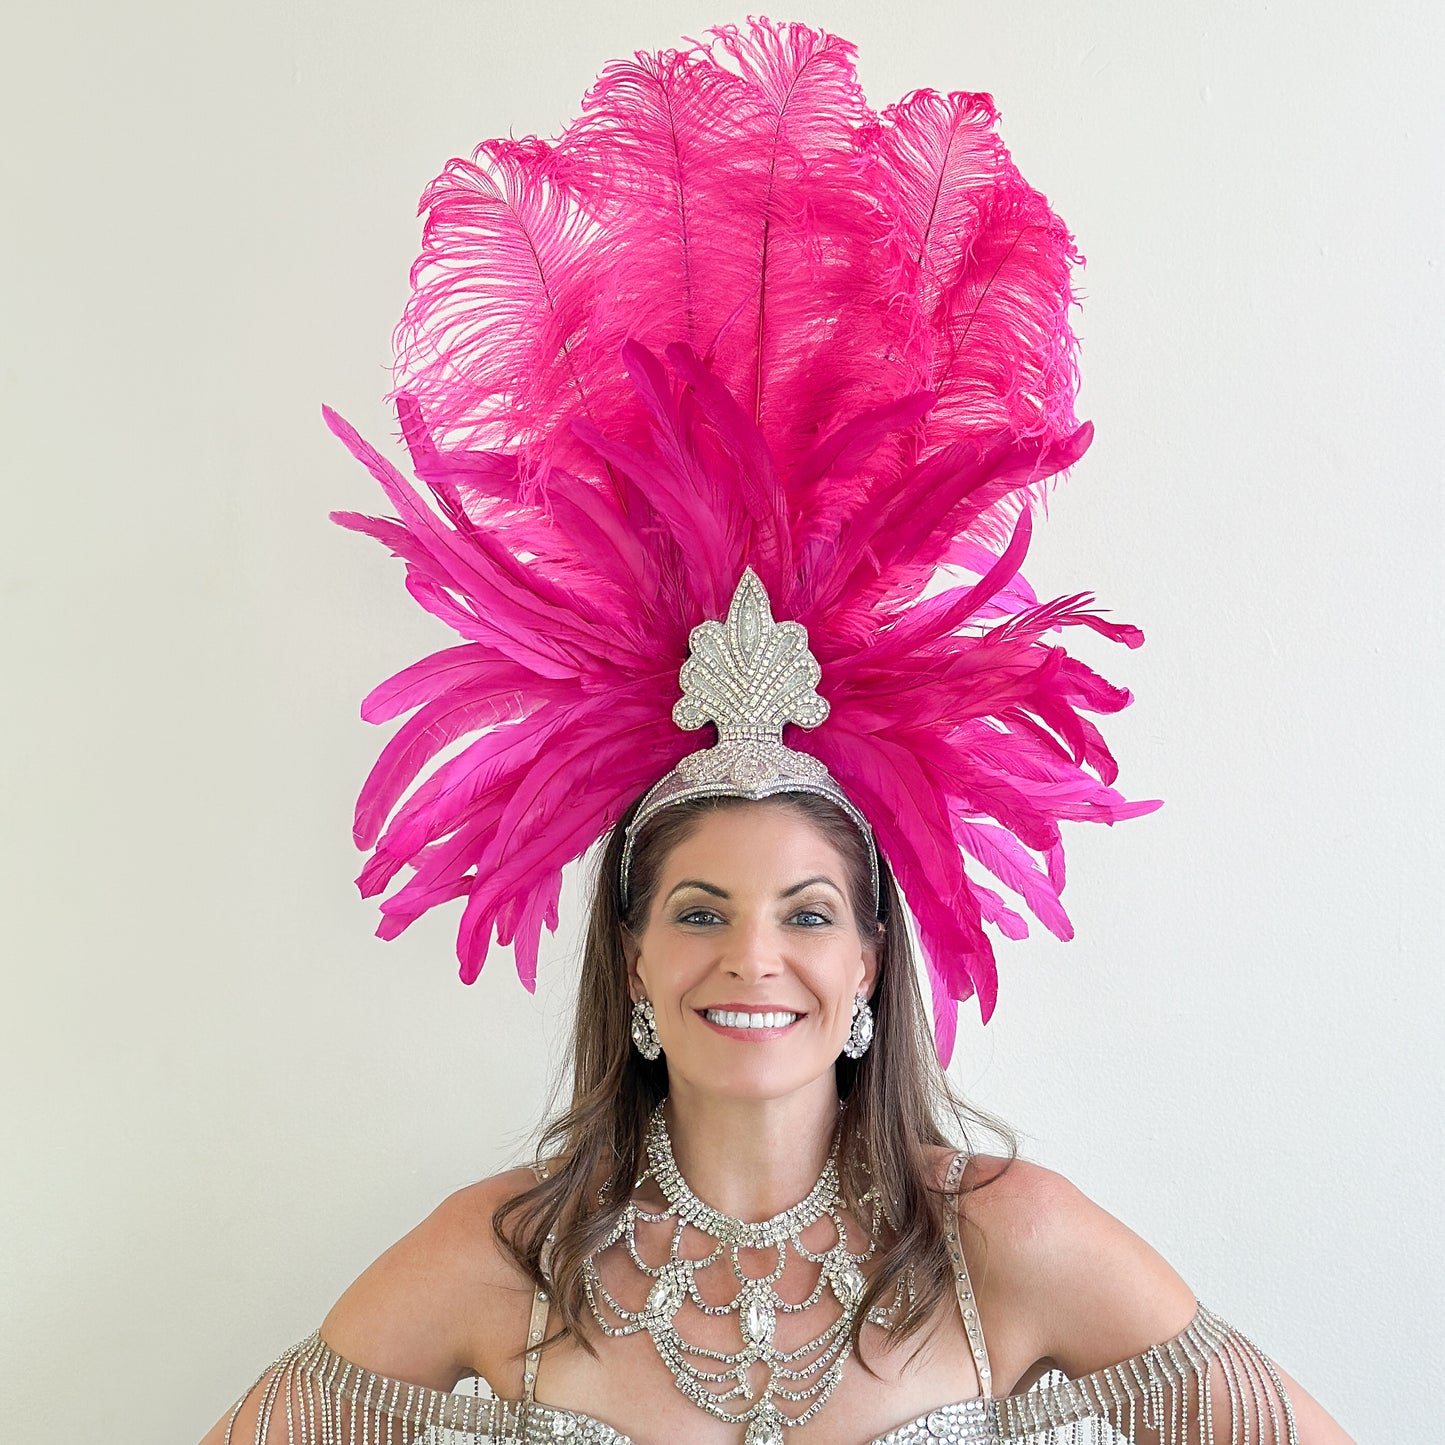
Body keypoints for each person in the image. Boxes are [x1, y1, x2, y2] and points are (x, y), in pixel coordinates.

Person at [203, 19, 1354, 1444]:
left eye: (806, 911)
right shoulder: (499, 1258)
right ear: (630, 951)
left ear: (870, 954)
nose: (753, 955)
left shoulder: (1003, 1243)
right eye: (698, 908)